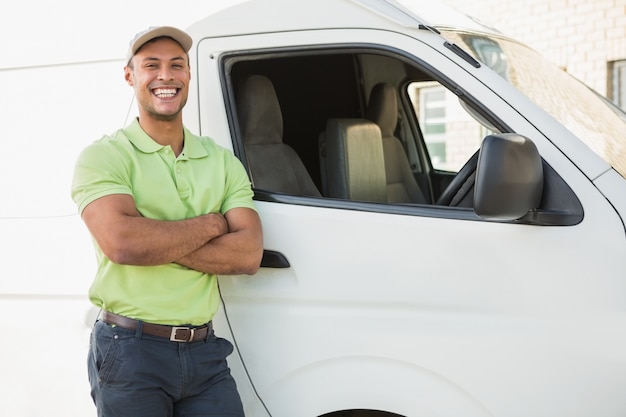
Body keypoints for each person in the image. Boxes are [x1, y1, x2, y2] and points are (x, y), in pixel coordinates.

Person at [71, 26, 264, 417]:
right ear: (130, 76)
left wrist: (155, 237)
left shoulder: (221, 161)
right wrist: (212, 224)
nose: (166, 76)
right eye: (151, 65)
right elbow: (124, 244)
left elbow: (247, 254)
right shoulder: (104, 157)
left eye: (177, 65)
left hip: (205, 351)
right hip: (130, 350)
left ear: (189, 75)